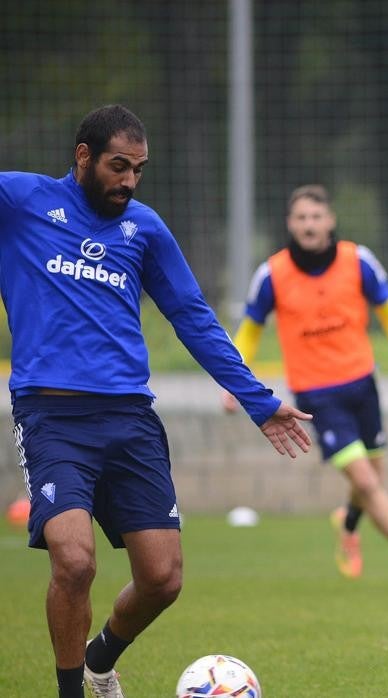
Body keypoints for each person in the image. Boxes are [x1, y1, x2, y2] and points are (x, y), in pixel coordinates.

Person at [0, 104, 313, 698]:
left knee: (162, 579)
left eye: (139, 170)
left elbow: (193, 319)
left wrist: (257, 400)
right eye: (119, 167)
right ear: (83, 156)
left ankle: (101, 658)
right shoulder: (20, 202)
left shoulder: (143, 228)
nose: (129, 182)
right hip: (51, 416)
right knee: (74, 560)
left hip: (129, 419)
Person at [222, 184, 388, 594]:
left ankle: (347, 524)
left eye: (316, 217)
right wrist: (233, 382)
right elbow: (250, 331)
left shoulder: (357, 261)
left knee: (372, 480)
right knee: (366, 482)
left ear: (330, 221)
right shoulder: (271, 274)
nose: (309, 225)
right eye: (301, 218)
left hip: (363, 385)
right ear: (290, 224)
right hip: (316, 396)